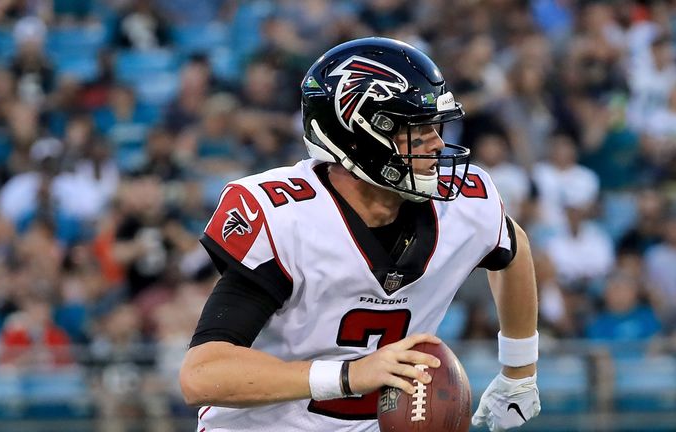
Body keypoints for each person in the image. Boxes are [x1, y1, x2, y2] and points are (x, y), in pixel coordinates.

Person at [179, 37, 541, 432]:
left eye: (437, 127)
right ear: (359, 137)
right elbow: (202, 374)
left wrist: (519, 371)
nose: (438, 146)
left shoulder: (462, 204)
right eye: (416, 132)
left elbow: (513, 246)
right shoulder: (288, 219)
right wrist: (349, 376)